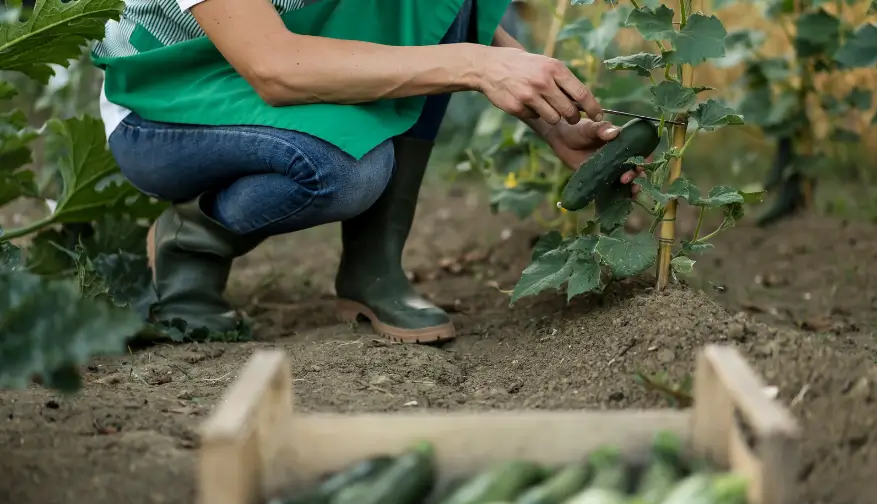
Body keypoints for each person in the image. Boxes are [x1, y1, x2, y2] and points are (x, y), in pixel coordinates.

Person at [92, 0, 643, 344]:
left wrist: (552, 120)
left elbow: (445, 13)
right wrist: (474, 67)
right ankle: (193, 239)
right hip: (166, 98)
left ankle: (374, 268)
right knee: (342, 170)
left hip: (288, 64)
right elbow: (275, 68)